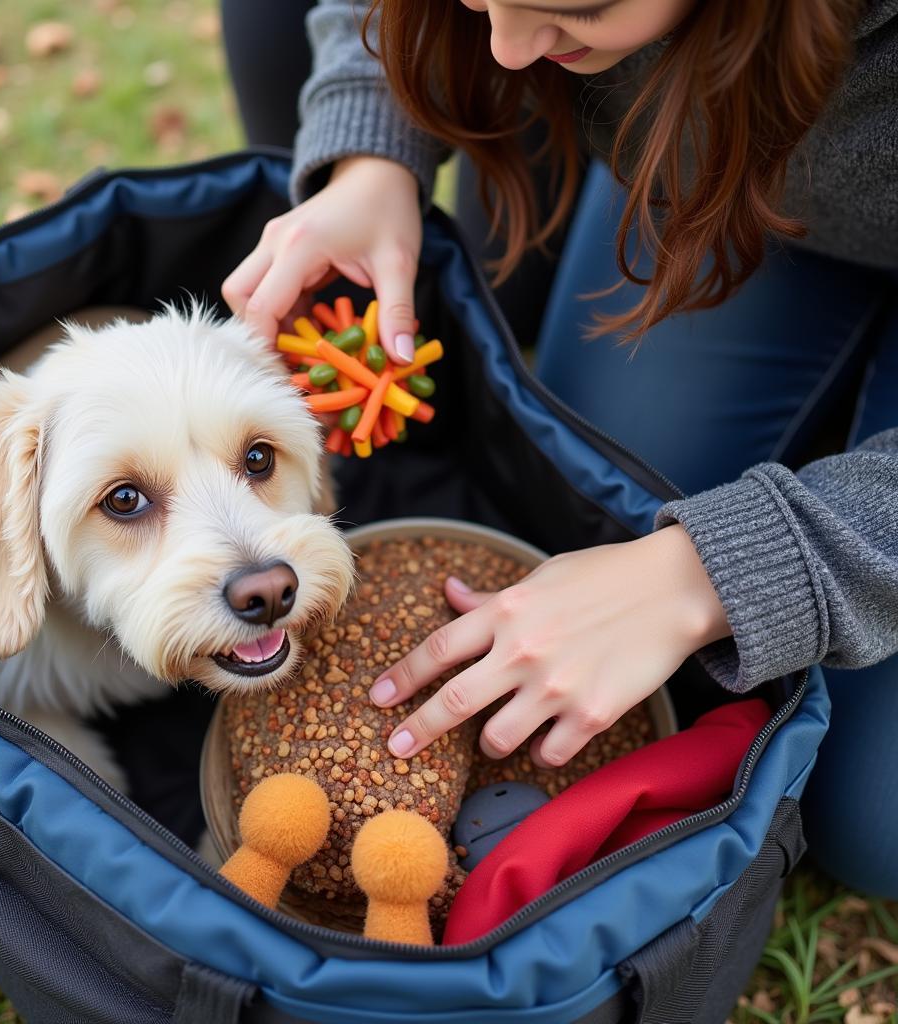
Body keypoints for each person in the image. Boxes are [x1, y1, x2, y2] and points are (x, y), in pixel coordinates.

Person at [220, 0, 898, 897]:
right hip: (727, 162)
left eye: (574, 9)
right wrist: (373, 150)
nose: (505, 48)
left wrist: (716, 570)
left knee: (872, 820)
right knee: (589, 489)